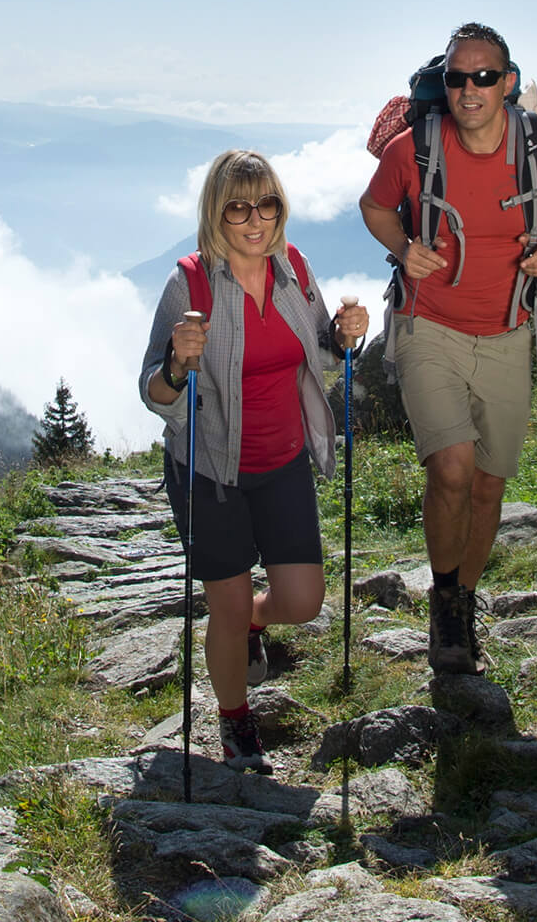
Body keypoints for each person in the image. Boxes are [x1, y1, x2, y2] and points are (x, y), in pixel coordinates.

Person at [358, 23, 537, 674]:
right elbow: (375, 209)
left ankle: (461, 599)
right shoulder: (414, 148)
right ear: (446, 84)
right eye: (458, 78)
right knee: (451, 468)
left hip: (509, 331)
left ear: (508, 84)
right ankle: (445, 607)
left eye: (484, 77)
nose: (469, 90)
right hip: (430, 325)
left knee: (488, 487)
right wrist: (403, 249)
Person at [141, 149, 369, 773]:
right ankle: (235, 721)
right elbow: (153, 393)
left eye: (266, 204)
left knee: (302, 601)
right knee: (228, 602)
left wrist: (349, 334)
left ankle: (249, 627)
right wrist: (176, 363)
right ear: (217, 211)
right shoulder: (188, 284)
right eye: (238, 206)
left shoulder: (293, 267)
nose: (254, 219)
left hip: (284, 458)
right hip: (210, 469)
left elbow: (323, 349)